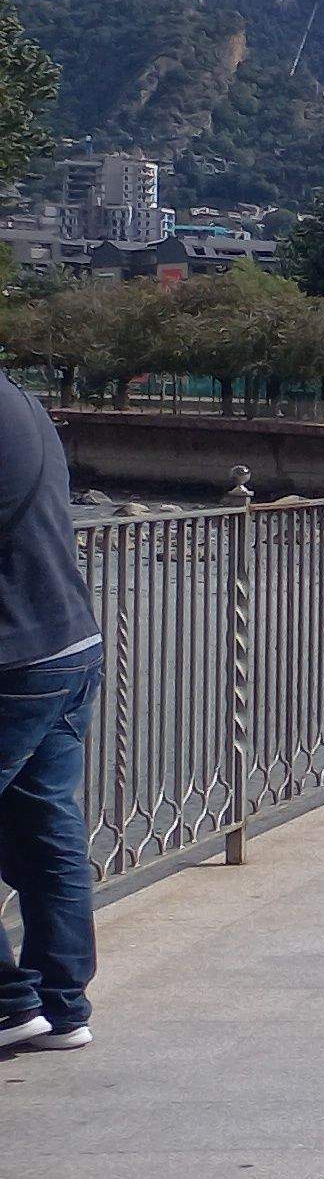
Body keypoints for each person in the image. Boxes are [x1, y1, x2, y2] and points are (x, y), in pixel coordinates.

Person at [0, 374, 100, 1055]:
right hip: (67, 640)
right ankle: (60, 1007)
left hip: (11, 655)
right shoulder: (21, 399)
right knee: (45, 833)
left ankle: (10, 1002)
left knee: (47, 834)